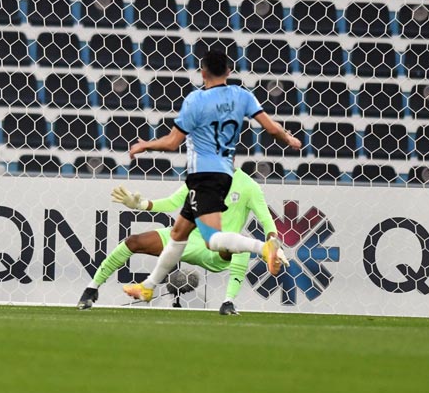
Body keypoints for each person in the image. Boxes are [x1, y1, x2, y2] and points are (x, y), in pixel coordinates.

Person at [122, 50, 302, 302]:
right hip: (224, 174)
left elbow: (172, 143)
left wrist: (146, 145)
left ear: (202, 71)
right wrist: (289, 139)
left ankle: (263, 247)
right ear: (229, 71)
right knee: (178, 235)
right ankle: (148, 286)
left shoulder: (195, 100)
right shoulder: (242, 96)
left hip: (203, 175)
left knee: (213, 241)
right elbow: (271, 129)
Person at [77, 168, 278, 315]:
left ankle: (228, 302)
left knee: (236, 244)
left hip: (217, 248)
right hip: (190, 237)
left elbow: (266, 219)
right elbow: (172, 202)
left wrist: (273, 241)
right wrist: (141, 204)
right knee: (134, 241)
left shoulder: (249, 186)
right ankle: (91, 289)